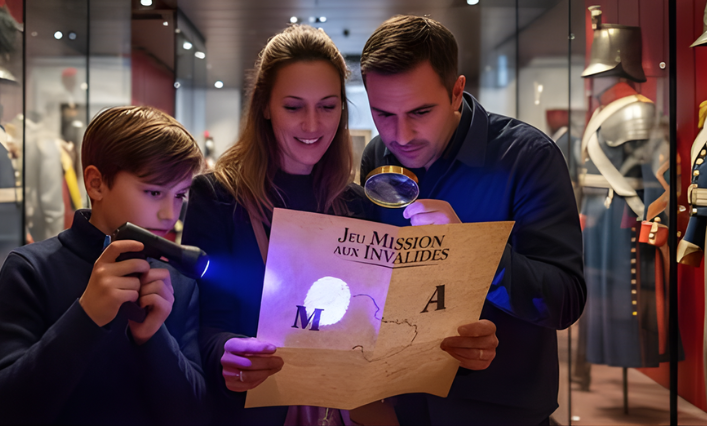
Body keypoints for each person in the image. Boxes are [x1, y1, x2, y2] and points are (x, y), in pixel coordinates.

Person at [183, 24, 498, 426]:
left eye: (328, 106)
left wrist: (458, 347)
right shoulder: (217, 197)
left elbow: (387, 326)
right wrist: (229, 351)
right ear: (265, 105)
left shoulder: (356, 203)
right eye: (294, 107)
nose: (313, 126)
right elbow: (203, 324)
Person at [358, 15, 586, 425]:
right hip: (401, 400)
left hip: (498, 407)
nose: (402, 135)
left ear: (457, 92)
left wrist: (474, 252)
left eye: (421, 111)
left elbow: (564, 301)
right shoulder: (378, 155)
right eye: (383, 114)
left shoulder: (528, 157)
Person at [0, 106, 207, 425]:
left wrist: (154, 337)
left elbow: (195, 416)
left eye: (180, 195)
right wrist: (86, 316)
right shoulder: (31, 269)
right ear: (96, 183)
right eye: (154, 192)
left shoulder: (178, 281)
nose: (170, 213)